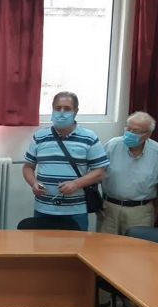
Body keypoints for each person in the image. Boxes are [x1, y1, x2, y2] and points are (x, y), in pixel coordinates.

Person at [97, 111, 158, 307]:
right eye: (128, 128)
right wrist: (97, 204)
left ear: (148, 134)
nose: (130, 133)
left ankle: (131, 299)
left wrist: (157, 214)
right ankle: (101, 298)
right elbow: (96, 173)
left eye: (136, 131)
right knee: (104, 255)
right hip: (110, 207)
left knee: (137, 258)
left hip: (141, 210)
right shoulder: (112, 145)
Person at [23, 91, 109, 231]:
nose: (62, 112)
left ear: (75, 111)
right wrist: (33, 183)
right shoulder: (39, 137)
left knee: (75, 244)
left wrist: (76, 184)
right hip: (43, 208)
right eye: (58, 108)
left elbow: (100, 171)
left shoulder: (89, 138)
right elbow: (28, 167)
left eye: (67, 108)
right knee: (41, 244)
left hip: (75, 211)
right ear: (52, 109)